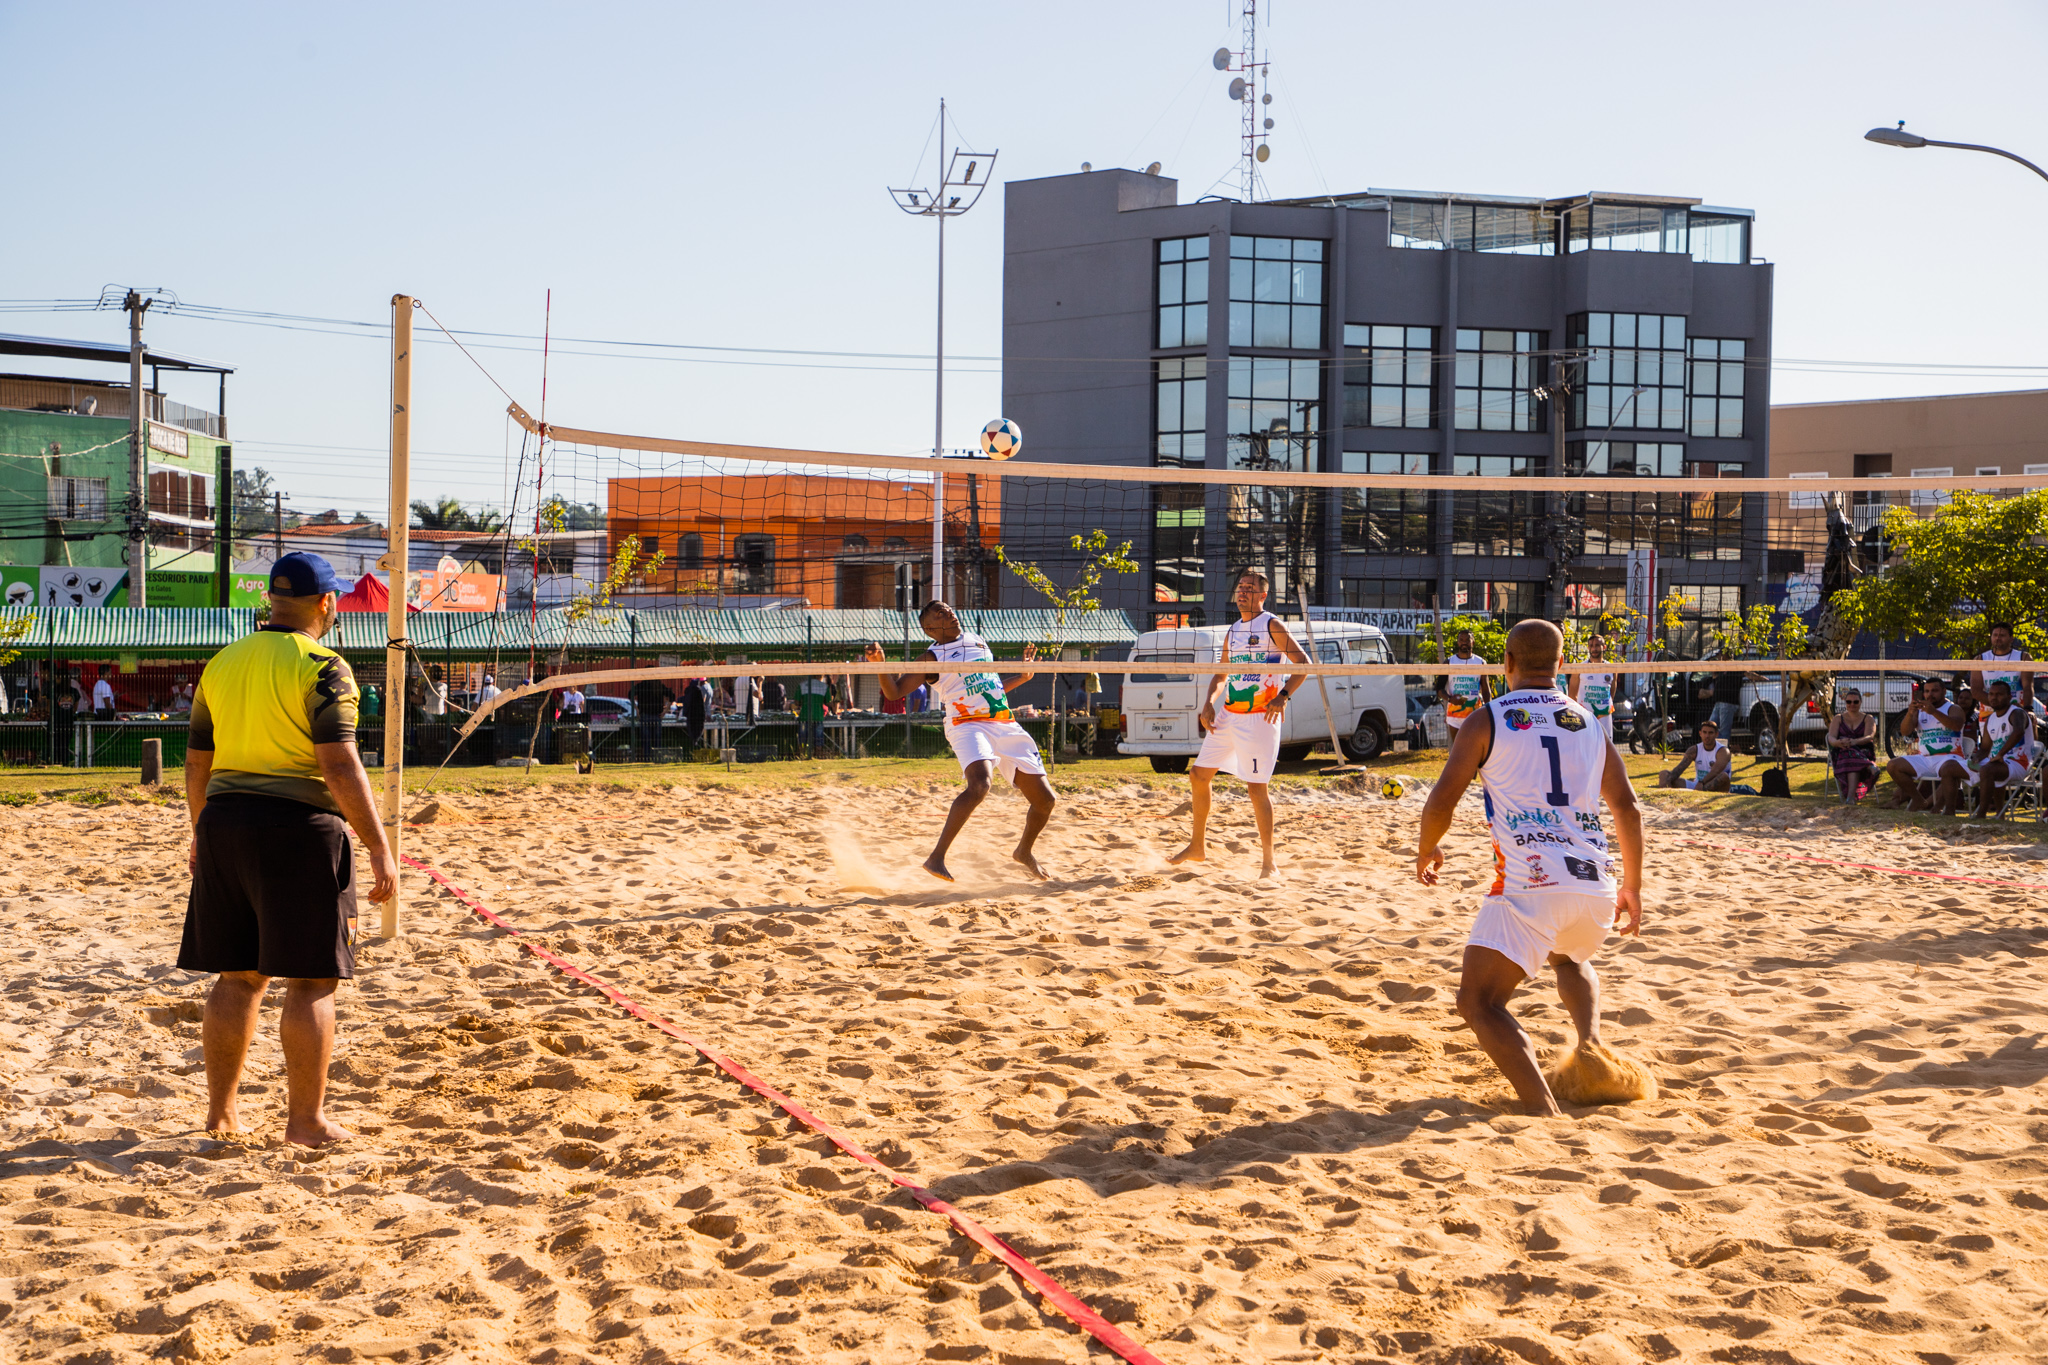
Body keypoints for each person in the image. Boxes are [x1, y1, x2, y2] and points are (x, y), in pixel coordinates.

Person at [178, 552, 398, 1147]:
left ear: (272, 600)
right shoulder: (325, 666)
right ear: (328, 603)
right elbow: (339, 763)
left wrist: (202, 832)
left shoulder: (221, 663)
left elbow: (197, 762)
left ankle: (221, 1115)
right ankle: (305, 1121)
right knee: (310, 981)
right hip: (298, 830)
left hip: (224, 823)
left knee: (237, 977)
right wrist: (379, 845)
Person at [1416, 619, 1644, 1118]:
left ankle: (1545, 1113)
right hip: (1594, 885)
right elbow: (1627, 808)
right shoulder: (1587, 721)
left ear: (1507, 666)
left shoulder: (1487, 718)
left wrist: (1427, 848)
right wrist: (1633, 887)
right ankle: (1591, 1046)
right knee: (1569, 958)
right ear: (1561, 665)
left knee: (1478, 1003)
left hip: (1530, 884)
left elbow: (1442, 800)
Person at [864, 602, 1054, 881]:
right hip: (966, 724)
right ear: (930, 628)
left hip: (1003, 722)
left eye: (948, 609)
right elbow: (894, 693)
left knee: (1046, 800)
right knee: (980, 785)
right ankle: (936, 858)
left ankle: (1023, 851)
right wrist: (880, 664)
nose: (949, 613)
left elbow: (992, 687)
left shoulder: (977, 640)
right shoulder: (931, 658)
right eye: (939, 613)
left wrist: (1023, 677)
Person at [1167, 569, 1310, 880]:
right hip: (1230, 715)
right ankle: (1197, 846)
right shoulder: (1233, 630)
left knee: (1256, 788)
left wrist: (1283, 696)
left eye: (1250, 587)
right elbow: (1221, 675)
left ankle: (1269, 862)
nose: (1243, 591)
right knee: (1197, 775)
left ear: (1262, 595)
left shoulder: (1272, 624)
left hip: (1260, 717)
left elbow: (1303, 665)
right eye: (1240, 587)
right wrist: (1208, 703)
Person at [1886, 677, 1966, 814]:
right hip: (1926, 758)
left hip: (1950, 757)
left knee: (1949, 769)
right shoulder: (1920, 710)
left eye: (1934, 691)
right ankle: (1919, 800)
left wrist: (1934, 712)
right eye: (1927, 691)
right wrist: (1910, 713)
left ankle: (1947, 810)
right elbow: (1905, 731)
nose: (1930, 695)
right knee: (1893, 765)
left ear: (1944, 691)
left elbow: (1957, 725)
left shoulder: (1953, 708)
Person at [1968, 680, 2034, 818]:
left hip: (2019, 762)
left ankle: (1981, 814)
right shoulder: (1990, 719)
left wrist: (2000, 754)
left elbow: (2018, 732)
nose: (1993, 697)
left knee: (1989, 769)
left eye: (1999, 694)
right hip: (1998, 762)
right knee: (1952, 767)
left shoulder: (2017, 713)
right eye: (1991, 694)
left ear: (2009, 697)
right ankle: (2000, 813)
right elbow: (1985, 748)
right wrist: (1975, 758)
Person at [1827, 687, 1879, 804]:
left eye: (1855, 702)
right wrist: (1838, 743)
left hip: (1863, 751)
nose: (1852, 704)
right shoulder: (1838, 718)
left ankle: (1850, 798)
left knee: (1849, 754)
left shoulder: (1868, 718)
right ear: (1845, 702)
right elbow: (1831, 737)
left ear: (1860, 702)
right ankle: (1869, 766)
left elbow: (1870, 736)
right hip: (1842, 751)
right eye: (1849, 702)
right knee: (1846, 751)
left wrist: (1854, 742)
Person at [1436, 628, 1491, 736]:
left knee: (1475, 749)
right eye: (1461, 639)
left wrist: (1489, 710)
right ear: (1458, 642)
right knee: (1458, 750)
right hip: (1455, 716)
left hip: (1475, 714)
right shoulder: (1449, 662)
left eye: (1467, 639)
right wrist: (1450, 698)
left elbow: (1486, 690)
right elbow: (1439, 689)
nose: (1464, 642)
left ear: (1473, 642)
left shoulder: (1480, 662)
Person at [1658, 718, 1732, 792]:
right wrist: (1668, 779)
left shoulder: (1723, 751)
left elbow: (1716, 771)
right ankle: (1667, 796)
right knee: (1664, 774)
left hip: (1712, 785)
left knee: (1724, 777)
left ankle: (1701, 792)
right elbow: (1679, 769)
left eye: (1710, 733)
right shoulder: (1694, 750)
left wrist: (1702, 782)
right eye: (1704, 732)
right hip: (1697, 785)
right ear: (1700, 733)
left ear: (1716, 734)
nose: (1707, 736)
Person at [1972, 623, 2032, 712]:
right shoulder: (1980, 659)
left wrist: (2028, 708)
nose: (1997, 638)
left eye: (2002, 635)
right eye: (1995, 635)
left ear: (2011, 638)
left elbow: (2028, 686)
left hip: (2016, 710)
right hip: (1989, 712)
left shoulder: (2023, 657)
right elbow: (1976, 691)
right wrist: (2001, 706)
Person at [1568, 635, 1617, 741]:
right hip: (1586, 715)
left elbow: (1612, 691)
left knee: (1605, 747)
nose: (1594, 648)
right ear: (1588, 648)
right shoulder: (1580, 668)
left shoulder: (1611, 668)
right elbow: (1572, 694)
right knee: (1586, 745)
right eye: (1591, 646)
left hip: (1604, 715)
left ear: (1604, 647)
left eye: (1597, 645)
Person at [630, 677, 673, 760]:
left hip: (645, 715)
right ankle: (657, 757)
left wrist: (637, 709)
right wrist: (665, 710)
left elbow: (630, 694)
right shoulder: (659, 686)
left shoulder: (641, 686)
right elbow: (672, 696)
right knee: (657, 738)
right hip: (657, 715)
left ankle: (647, 758)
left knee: (646, 739)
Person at [795, 675, 831, 756]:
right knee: (819, 739)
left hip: (805, 716)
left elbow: (796, 702)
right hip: (818, 716)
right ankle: (817, 756)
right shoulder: (824, 687)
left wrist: (803, 703)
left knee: (802, 739)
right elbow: (829, 702)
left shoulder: (802, 685)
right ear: (822, 676)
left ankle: (802, 755)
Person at [52, 673, 79, 765]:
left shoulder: (54, 690)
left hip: (56, 721)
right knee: (65, 744)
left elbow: (48, 707)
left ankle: (55, 761)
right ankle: (65, 762)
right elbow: (75, 709)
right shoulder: (74, 692)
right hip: (68, 721)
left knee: (56, 744)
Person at [681, 675, 709, 750]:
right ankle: (696, 745)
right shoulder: (700, 691)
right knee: (697, 731)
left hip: (691, 716)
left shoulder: (689, 691)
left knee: (692, 731)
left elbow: (686, 703)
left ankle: (692, 747)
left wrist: (685, 713)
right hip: (698, 715)